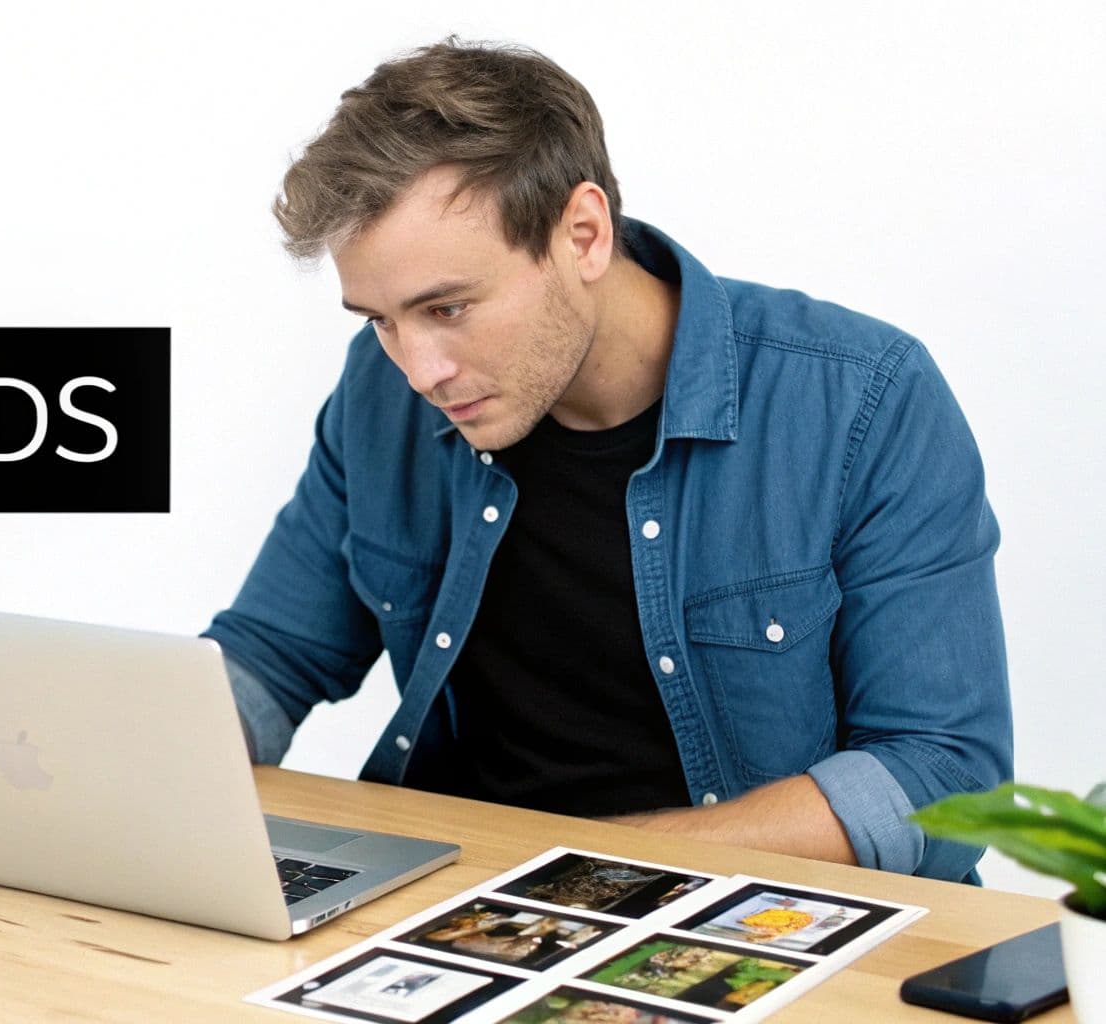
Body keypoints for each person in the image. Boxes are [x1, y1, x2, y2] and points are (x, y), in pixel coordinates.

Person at [200, 38, 1010, 883]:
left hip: (754, 924)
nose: (420, 368)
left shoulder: (862, 398)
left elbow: (942, 777)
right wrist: (108, 767)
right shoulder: (385, 389)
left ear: (583, 235)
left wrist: (572, 868)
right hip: (456, 912)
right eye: (380, 318)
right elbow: (270, 655)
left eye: (448, 307)